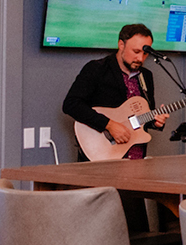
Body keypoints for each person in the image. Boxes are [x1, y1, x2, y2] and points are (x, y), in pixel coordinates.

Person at [63, 24, 167, 161]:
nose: (140, 58)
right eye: (136, 51)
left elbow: (139, 119)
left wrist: (155, 122)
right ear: (121, 45)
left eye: (145, 53)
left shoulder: (146, 76)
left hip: (136, 158)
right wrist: (109, 125)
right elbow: (71, 104)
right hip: (104, 156)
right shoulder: (97, 69)